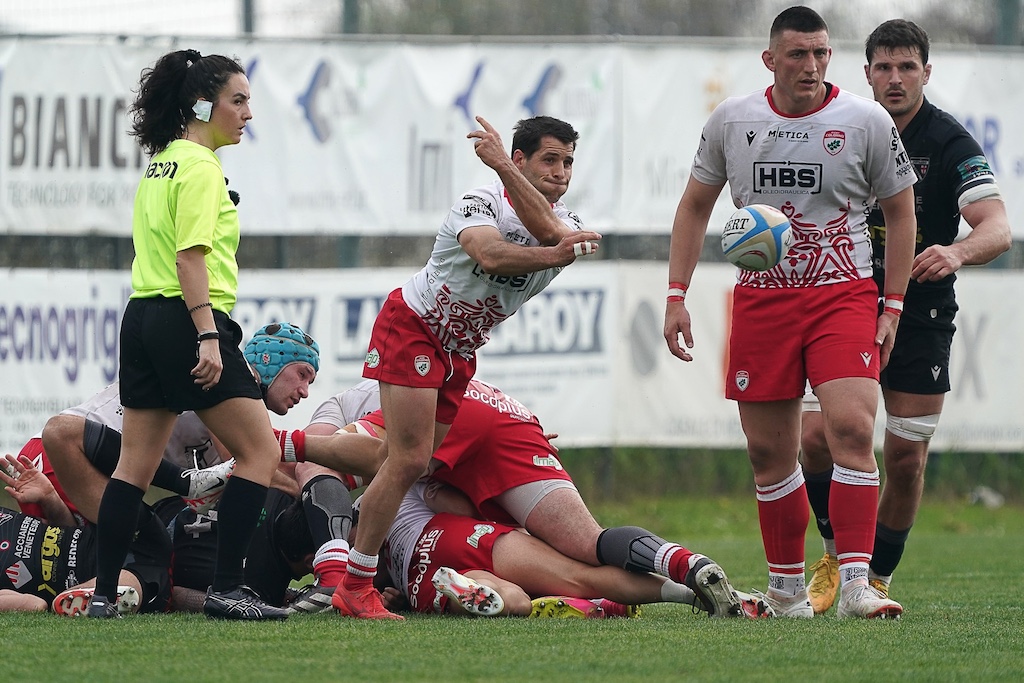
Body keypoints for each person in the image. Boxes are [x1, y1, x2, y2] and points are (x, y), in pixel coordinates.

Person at [662, 6, 918, 619]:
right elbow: (696, 206)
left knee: (852, 430)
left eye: (821, 53)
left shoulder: (865, 120)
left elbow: (902, 211)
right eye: (798, 54)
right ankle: (785, 592)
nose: (811, 65)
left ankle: (857, 584)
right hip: (763, 299)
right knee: (769, 453)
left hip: (843, 293)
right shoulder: (732, 119)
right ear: (769, 59)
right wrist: (676, 294)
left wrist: (893, 304)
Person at [331, 114, 603, 620]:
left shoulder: (564, 218)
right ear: (518, 160)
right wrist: (502, 174)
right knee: (408, 460)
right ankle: (354, 581)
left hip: (458, 350)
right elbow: (490, 254)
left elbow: (552, 235)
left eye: (568, 161)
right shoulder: (480, 199)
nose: (561, 171)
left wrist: (553, 240)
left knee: (397, 457)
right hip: (414, 324)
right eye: (549, 159)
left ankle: (346, 546)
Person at [800, 19, 1012, 614]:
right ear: (865, 72)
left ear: (926, 72)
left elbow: (997, 227)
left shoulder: (949, 143)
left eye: (907, 67)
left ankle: (878, 579)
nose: (895, 79)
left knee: (905, 455)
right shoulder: (836, 129)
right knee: (816, 439)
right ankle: (838, 560)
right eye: (884, 67)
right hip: (843, 298)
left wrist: (956, 250)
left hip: (920, 307)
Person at [89, 49, 290, 620]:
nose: (248, 113)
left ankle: (104, 595)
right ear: (204, 105)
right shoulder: (201, 168)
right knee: (259, 451)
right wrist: (207, 334)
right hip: (187, 319)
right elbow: (189, 259)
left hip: (142, 319)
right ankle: (229, 589)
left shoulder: (162, 162)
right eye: (239, 100)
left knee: (134, 467)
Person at [305, 378, 756, 618]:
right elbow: (452, 502)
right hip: (477, 485)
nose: (304, 390)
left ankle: (485, 593)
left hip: (422, 564)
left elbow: (325, 471)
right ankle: (690, 575)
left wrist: (282, 447)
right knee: (586, 555)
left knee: (549, 586)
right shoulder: (408, 411)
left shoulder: (368, 420)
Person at [0, 454, 171, 616]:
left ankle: (185, 481)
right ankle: (101, 600)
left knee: (58, 432)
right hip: (105, 579)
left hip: (117, 535)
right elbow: (35, 604)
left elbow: (64, 528)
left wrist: (49, 497)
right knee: (121, 590)